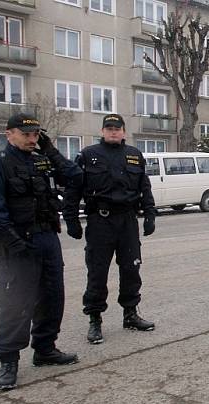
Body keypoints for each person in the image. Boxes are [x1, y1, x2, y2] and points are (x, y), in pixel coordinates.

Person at [0, 113, 82, 390]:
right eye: (26, 134)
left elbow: (75, 177)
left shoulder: (42, 160)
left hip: (47, 237)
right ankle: (8, 360)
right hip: (16, 243)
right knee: (16, 302)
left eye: (36, 134)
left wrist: (50, 150)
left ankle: (45, 349)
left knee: (52, 296)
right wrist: (14, 244)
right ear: (8, 134)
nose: (31, 139)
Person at [63, 114, 156, 345]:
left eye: (117, 128)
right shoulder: (88, 155)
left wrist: (150, 214)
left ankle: (130, 314)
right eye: (109, 128)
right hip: (100, 221)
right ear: (102, 131)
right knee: (97, 271)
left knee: (131, 268)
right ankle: (95, 320)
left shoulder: (134, 155)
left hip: (127, 220)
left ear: (124, 131)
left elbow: (144, 187)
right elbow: (73, 190)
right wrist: (71, 219)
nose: (113, 132)